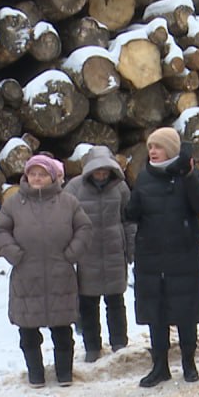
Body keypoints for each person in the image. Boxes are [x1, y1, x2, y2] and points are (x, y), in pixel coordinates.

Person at [0, 154, 93, 387]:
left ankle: (64, 374)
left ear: (52, 176)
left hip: (61, 274)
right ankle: (35, 374)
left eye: (42, 174)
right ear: (26, 176)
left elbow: (84, 227)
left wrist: (71, 254)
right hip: (27, 275)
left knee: (62, 329)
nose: (37, 178)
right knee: (28, 331)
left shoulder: (68, 202)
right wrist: (14, 254)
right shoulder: (14, 203)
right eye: (33, 173)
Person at [125, 127, 199, 387]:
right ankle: (160, 366)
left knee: (186, 312)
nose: (152, 151)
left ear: (171, 150)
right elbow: (133, 212)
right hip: (152, 257)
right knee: (156, 313)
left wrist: (188, 177)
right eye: (150, 146)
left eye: (158, 147)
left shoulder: (189, 173)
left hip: (184, 255)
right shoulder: (144, 177)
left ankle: (189, 362)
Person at [64, 146, 134, 363]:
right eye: (98, 171)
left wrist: (131, 250)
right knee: (88, 303)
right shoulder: (74, 188)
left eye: (105, 171)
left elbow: (129, 220)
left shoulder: (121, 188)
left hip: (114, 252)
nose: (101, 175)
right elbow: (66, 222)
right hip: (87, 254)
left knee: (116, 301)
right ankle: (92, 346)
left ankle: (119, 343)